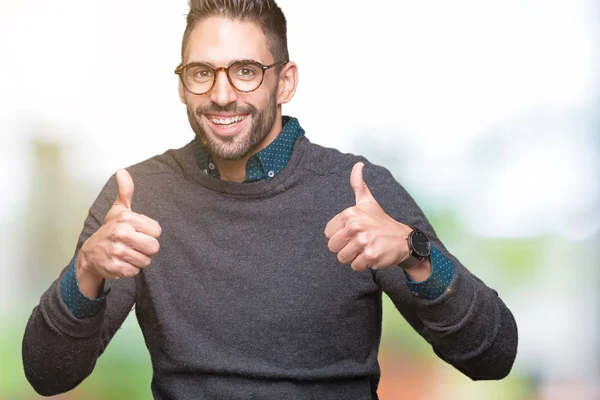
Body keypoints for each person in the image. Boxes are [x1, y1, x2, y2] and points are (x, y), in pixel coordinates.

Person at [22, 0, 518, 398]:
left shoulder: (358, 189)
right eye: (202, 72)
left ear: (285, 82)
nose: (221, 94)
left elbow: (492, 357)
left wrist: (415, 253)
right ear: (181, 85)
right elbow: (48, 375)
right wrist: (86, 269)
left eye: (245, 71)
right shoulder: (137, 197)